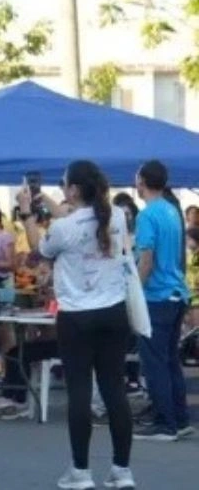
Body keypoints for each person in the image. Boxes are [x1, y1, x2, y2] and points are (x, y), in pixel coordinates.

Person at [17, 160, 135, 489]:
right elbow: (82, 222)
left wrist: (27, 213)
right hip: (113, 311)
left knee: (80, 390)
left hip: (76, 315)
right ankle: (122, 470)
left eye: (64, 184)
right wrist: (50, 203)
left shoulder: (62, 228)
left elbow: (39, 249)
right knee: (114, 389)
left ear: (73, 190)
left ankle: (81, 471)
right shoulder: (117, 216)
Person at [132, 160, 192, 440]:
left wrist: (133, 291)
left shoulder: (147, 215)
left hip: (156, 296)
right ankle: (180, 419)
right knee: (170, 360)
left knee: (154, 362)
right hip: (177, 292)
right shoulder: (171, 210)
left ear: (142, 181)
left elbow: (146, 260)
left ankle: (165, 423)